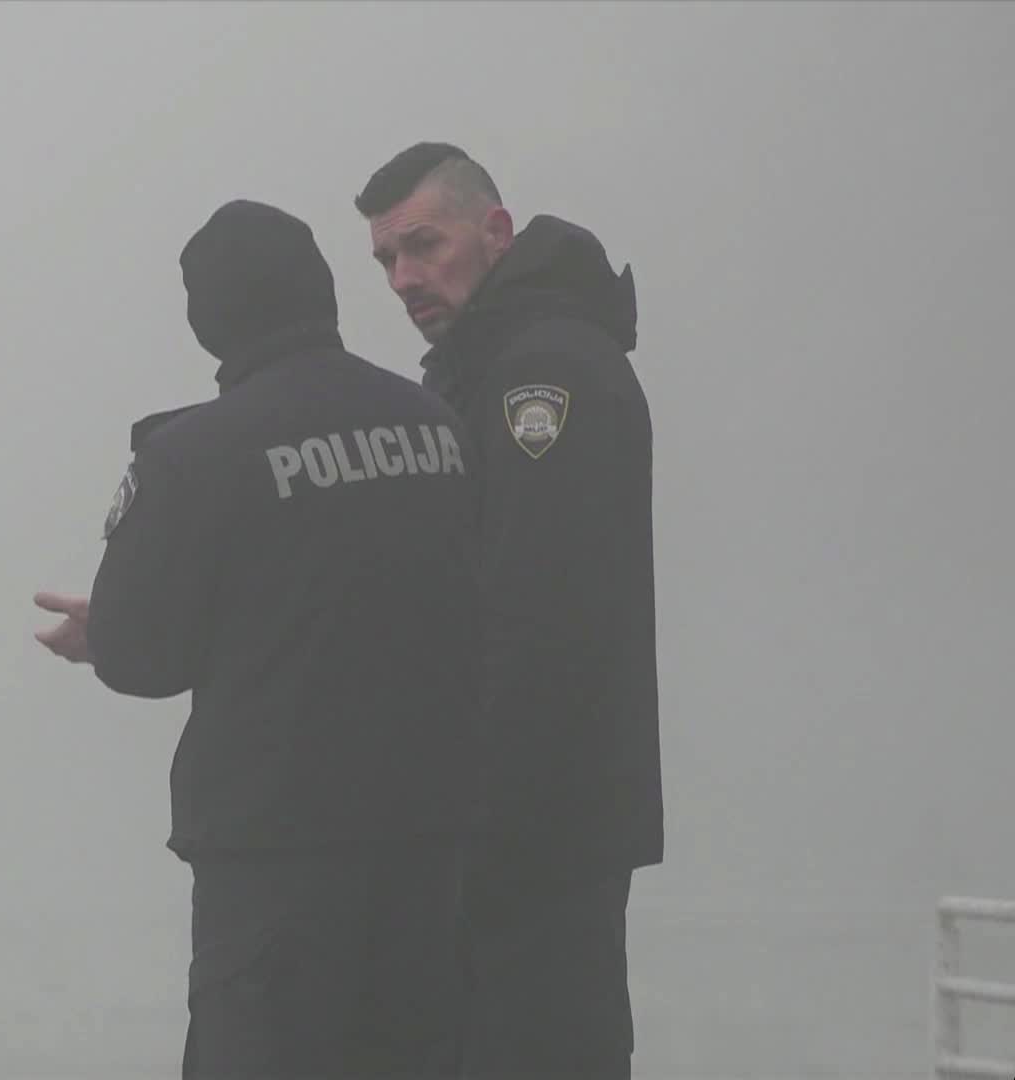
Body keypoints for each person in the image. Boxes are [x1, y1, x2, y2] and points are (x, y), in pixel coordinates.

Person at [34, 198, 485, 1079]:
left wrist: (105, 634)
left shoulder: (193, 453)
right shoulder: (437, 425)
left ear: (209, 320)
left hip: (276, 864)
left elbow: (143, 656)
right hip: (432, 847)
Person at [353, 142, 661, 1080]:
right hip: (510, 826)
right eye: (386, 260)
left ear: (495, 231)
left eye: (424, 246)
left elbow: (539, 623)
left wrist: (474, 829)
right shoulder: (483, 368)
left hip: (533, 833)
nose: (404, 279)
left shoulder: (543, 374)